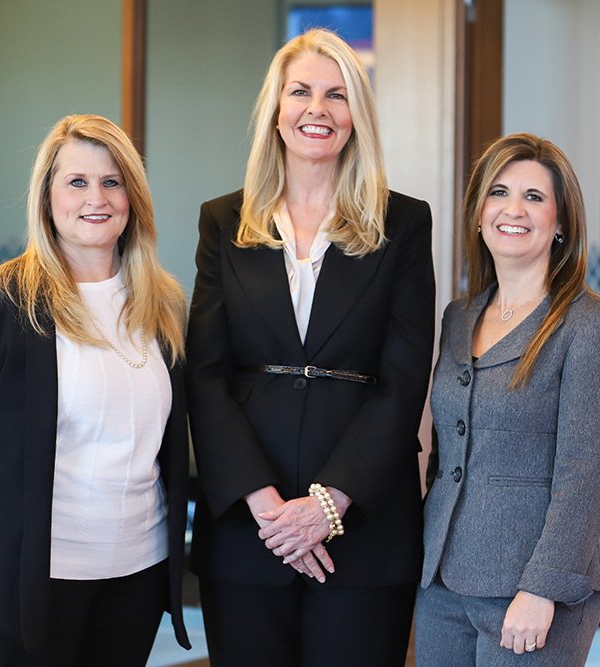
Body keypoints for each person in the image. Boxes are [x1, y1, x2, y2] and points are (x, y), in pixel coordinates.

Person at [185, 28, 436, 667]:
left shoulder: (404, 223)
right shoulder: (223, 222)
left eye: (336, 95)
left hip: (365, 527)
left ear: (357, 116)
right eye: (300, 92)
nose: (316, 110)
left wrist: (330, 502)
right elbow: (207, 375)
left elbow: (404, 380)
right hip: (250, 527)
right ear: (276, 110)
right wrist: (268, 507)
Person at [0, 114, 190, 666]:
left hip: (136, 571)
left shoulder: (162, 305)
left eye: (113, 182)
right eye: (77, 182)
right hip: (30, 579)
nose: (97, 198)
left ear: (133, 198)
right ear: (47, 198)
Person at [416, 133, 600, 666]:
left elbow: (590, 473)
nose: (514, 210)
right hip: (441, 578)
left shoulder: (594, 326)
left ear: (561, 223)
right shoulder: (458, 316)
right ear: (478, 212)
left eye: (534, 198)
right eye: (499, 193)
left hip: (534, 589)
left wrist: (543, 587)